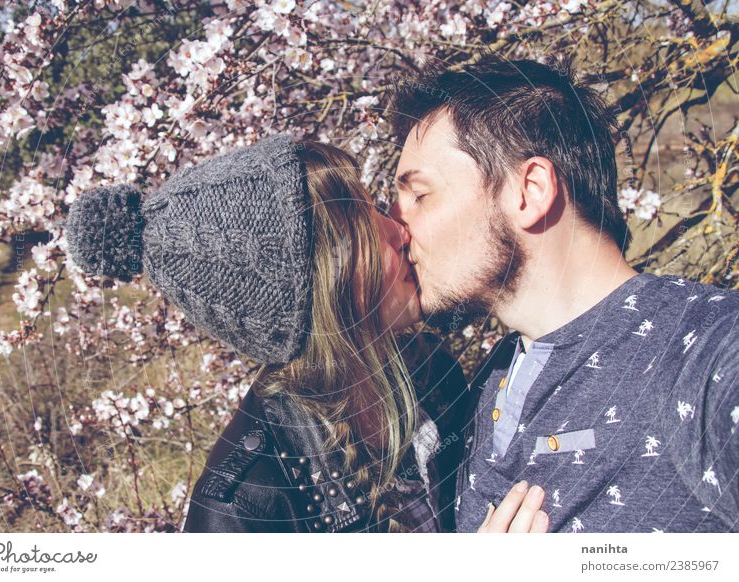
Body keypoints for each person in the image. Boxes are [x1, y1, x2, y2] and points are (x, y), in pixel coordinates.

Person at [65, 134, 548, 532]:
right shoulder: (246, 506)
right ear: (324, 280)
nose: (399, 230)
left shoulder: (429, 371)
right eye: (365, 222)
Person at [386, 55, 739, 533]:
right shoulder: (489, 383)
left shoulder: (708, 355)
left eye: (420, 196)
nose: (398, 229)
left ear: (528, 192)